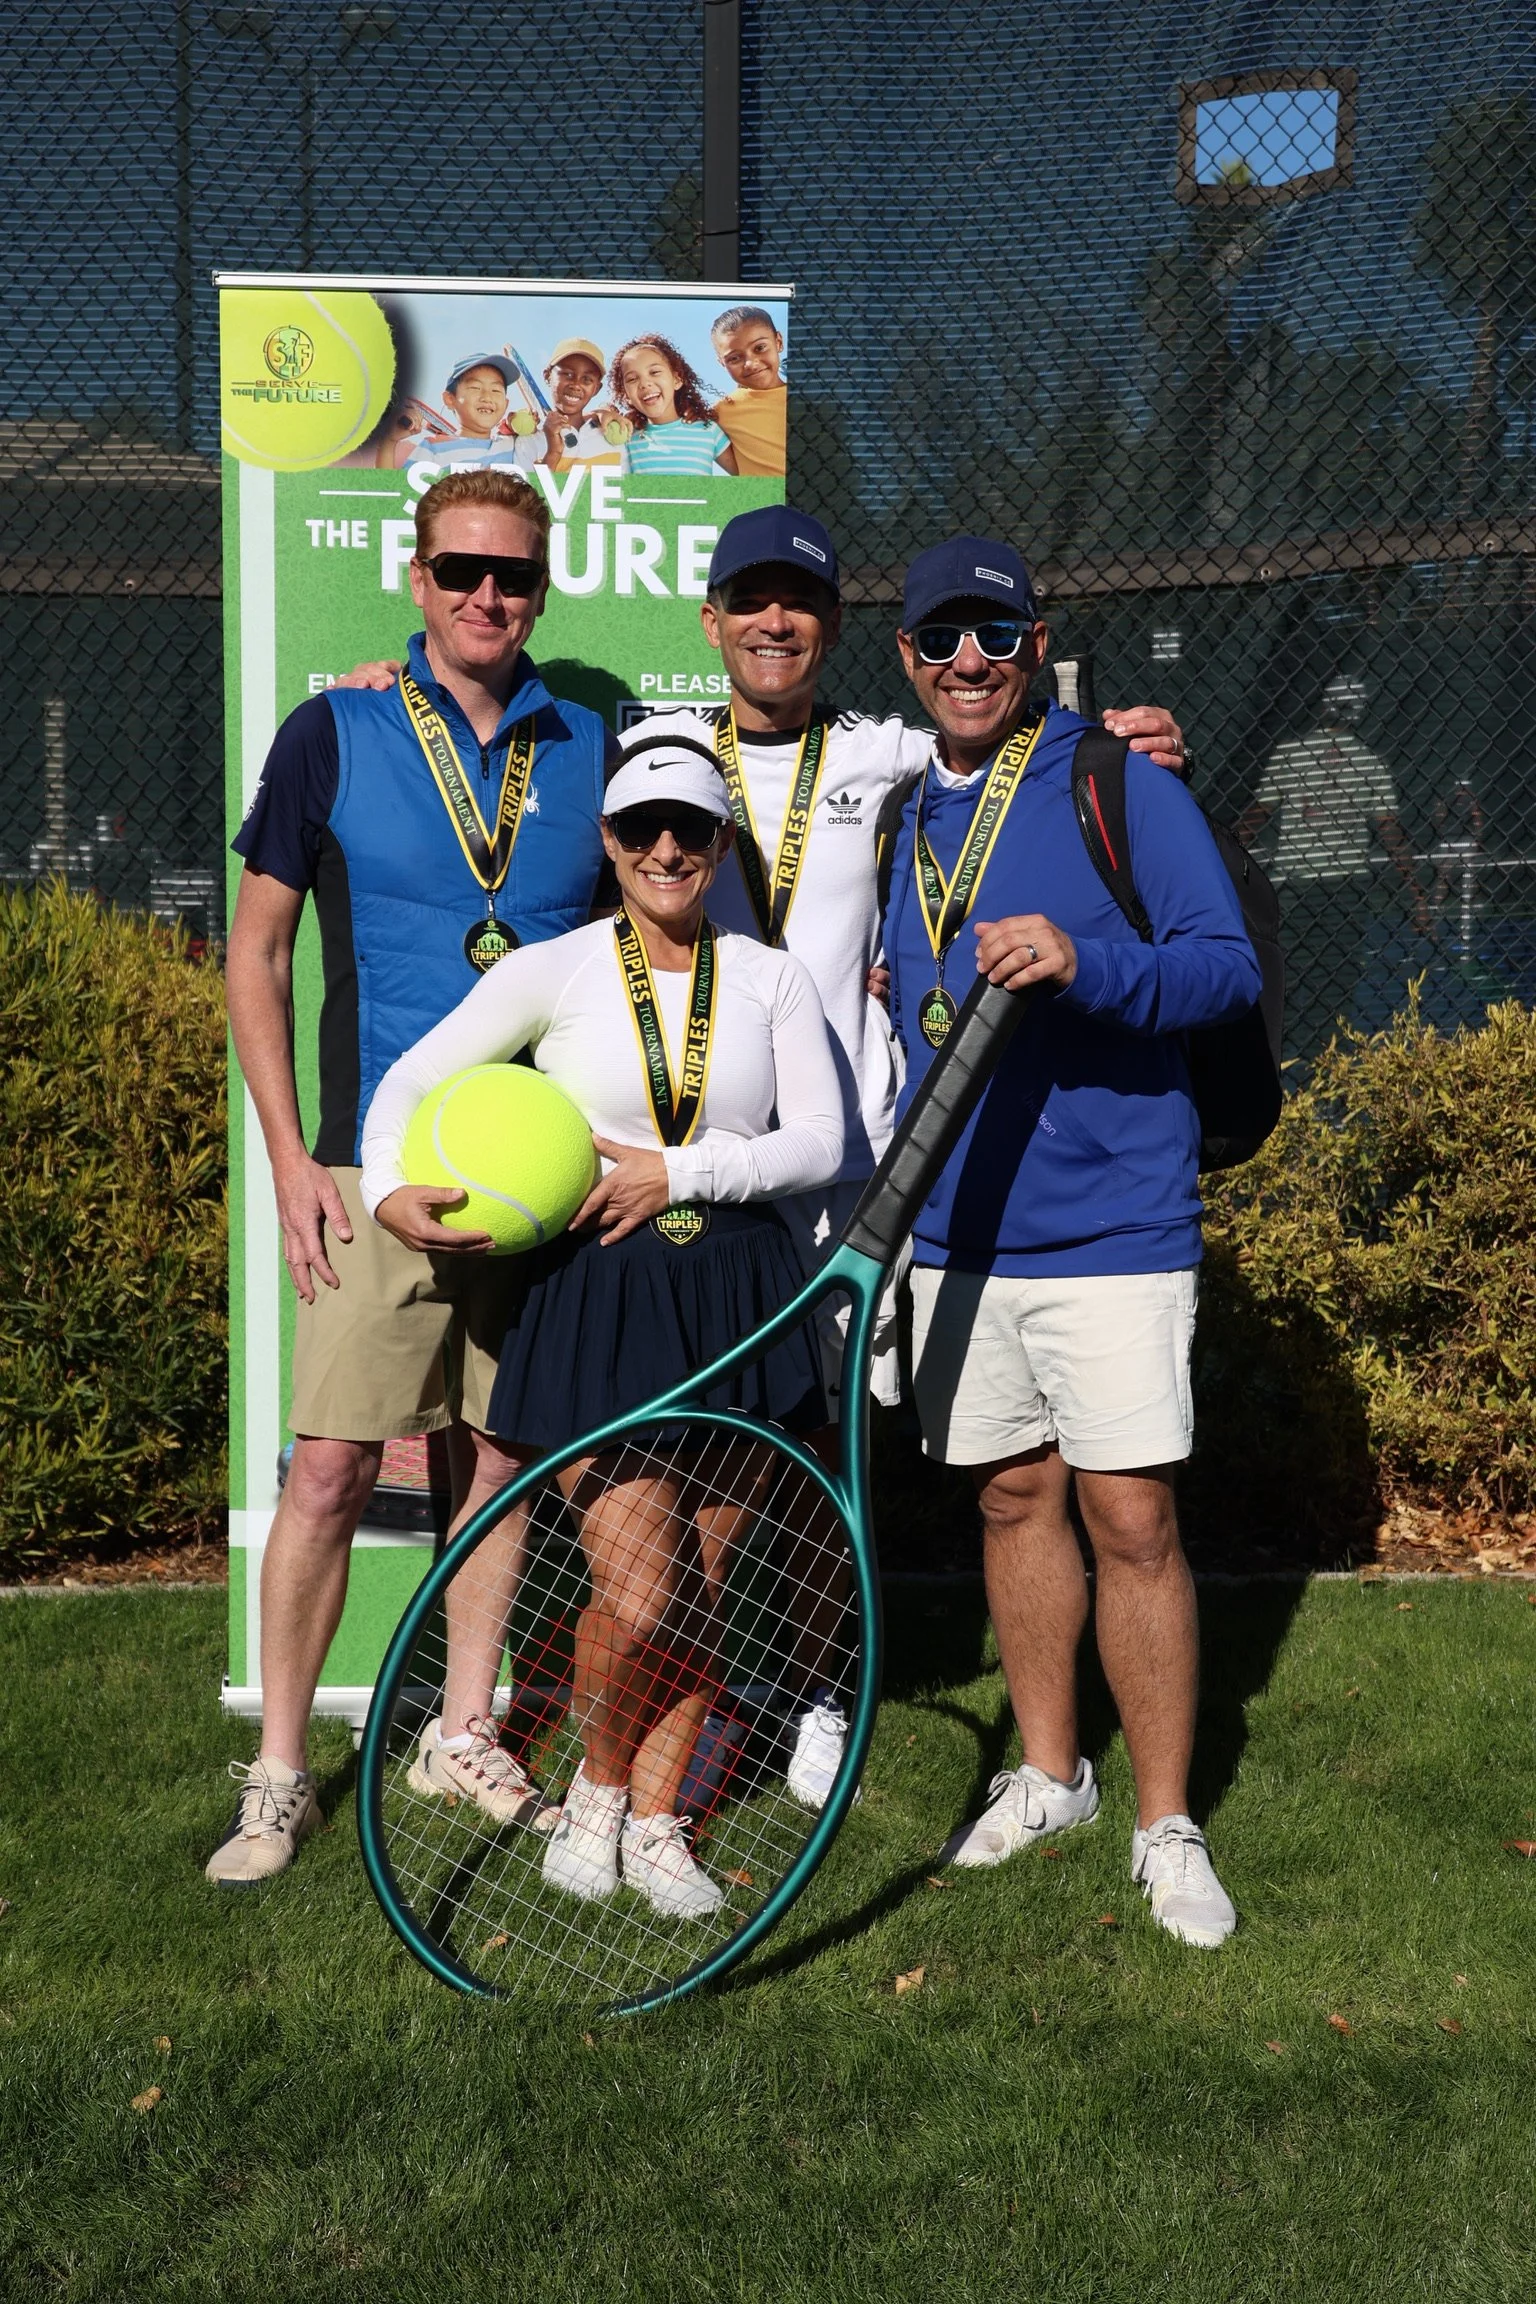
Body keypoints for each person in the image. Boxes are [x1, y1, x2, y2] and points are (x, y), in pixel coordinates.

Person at [337, 505, 1189, 1809]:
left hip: (851, 1170)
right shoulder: (659, 755)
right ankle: (692, 1701)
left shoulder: (889, 751)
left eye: (799, 601)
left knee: (817, 1449)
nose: (774, 621)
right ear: (712, 621)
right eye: (750, 600)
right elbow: (520, 722)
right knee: (709, 1458)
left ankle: (815, 1690)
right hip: (702, 1187)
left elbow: (996, 723)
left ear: (836, 627)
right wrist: (390, 692)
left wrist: (1120, 732)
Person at [210, 467, 617, 1886]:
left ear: (544, 585)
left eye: (510, 575)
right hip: (365, 1164)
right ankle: (277, 1774)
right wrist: (288, 1160)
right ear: (416, 574)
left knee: (495, 1460)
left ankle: (463, 1730)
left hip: (535, 1175)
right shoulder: (333, 728)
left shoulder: (598, 740)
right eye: (459, 571)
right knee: (327, 1470)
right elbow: (256, 954)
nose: (485, 597)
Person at [360, 731, 843, 1918]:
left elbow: (823, 1145)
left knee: (712, 1582)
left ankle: (663, 1816)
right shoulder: (558, 969)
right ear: (612, 847)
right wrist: (383, 1185)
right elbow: (412, 1083)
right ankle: (597, 1788)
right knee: (645, 1593)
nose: (667, 849)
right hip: (603, 1296)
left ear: (721, 844)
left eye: (690, 829)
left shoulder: (772, 976)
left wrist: (674, 1176)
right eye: (641, 831)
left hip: (738, 1288)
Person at [881, 535, 1261, 1948]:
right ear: (907, 660)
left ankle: (1169, 1825)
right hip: (956, 1234)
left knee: (1133, 1518)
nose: (967, 660)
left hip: (1114, 1226)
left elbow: (1223, 968)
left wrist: (1084, 960)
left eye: (993, 635)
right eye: (939, 640)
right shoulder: (893, 809)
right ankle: (1052, 1776)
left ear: (1037, 643)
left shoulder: (1114, 777)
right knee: (1009, 1502)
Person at [1238, 673, 1429, 1059]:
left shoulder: (1292, 754)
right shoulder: (1368, 762)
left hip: (1293, 881)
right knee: (1337, 981)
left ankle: (1285, 1058)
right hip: (1344, 885)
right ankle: (1326, 1057)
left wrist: (1220, 857)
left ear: (1322, 706)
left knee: (1288, 976)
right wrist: (1418, 896)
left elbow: (1255, 819)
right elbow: (1391, 835)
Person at [609, 335, 738, 475]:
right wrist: (604, 410)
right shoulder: (628, 436)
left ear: (677, 380)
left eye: (655, 372)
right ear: (626, 395)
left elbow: (746, 475)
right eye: (632, 379)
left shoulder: (708, 430)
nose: (645, 384)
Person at [392, 354, 527, 473]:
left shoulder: (514, 445)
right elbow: (399, 495)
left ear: (506, 404)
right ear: (450, 399)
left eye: (496, 390)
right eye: (475, 388)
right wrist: (390, 442)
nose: (487, 397)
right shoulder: (432, 448)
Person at [514, 337, 629, 474]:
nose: (576, 385)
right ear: (547, 376)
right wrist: (553, 452)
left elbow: (625, 492)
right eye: (567, 374)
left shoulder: (612, 436)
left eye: (587, 379)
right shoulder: (528, 441)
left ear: (596, 389)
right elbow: (526, 495)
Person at [708, 304, 788, 479]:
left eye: (759, 348)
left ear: (778, 342)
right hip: (768, 501)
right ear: (722, 362)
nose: (751, 363)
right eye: (734, 358)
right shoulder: (720, 412)